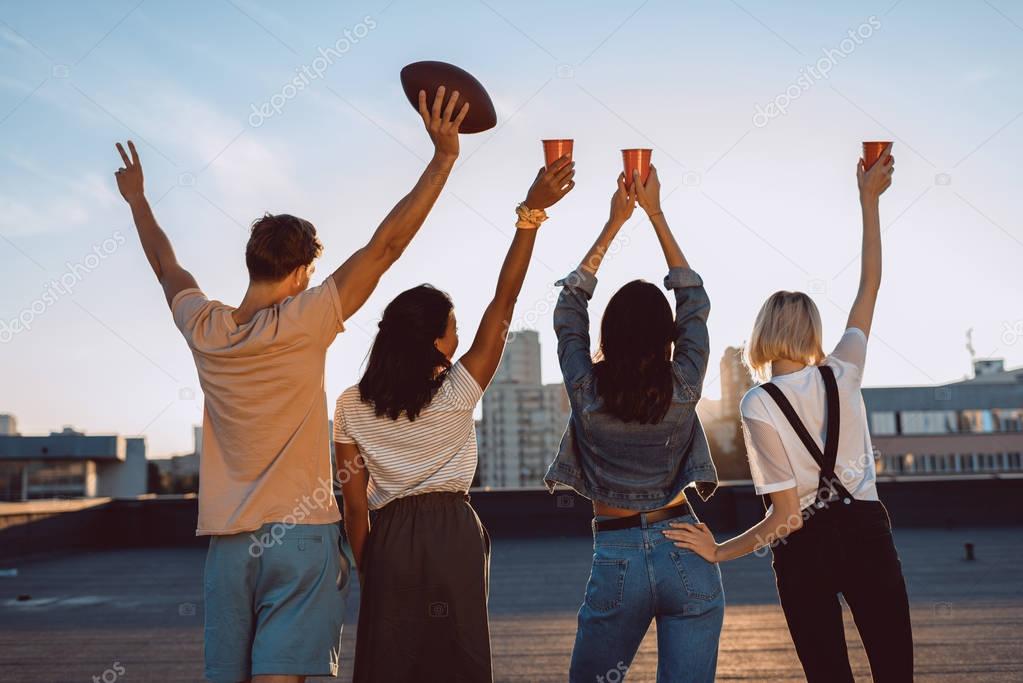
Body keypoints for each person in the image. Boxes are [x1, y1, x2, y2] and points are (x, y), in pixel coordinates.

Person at [113, 86, 470, 683]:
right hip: (302, 540)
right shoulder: (307, 320)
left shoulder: (204, 327)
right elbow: (386, 247)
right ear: (303, 271)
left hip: (229, 547)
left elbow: (165, 265)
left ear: (253, 262)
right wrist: (442, 159)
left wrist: (138, 201)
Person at [664, 144, 913, 682]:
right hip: (868, 532)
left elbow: (787, 517)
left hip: (808, 551)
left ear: (762, 333)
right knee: (895, 670)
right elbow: (870, 284)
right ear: (813, 333)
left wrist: (719, 552)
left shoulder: (758, 402)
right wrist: (869, 200)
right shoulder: (844, 369)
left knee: (828, 674)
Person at [334, 156, 575, 682]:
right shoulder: (458, 389)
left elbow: (354, 505)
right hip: (453, 533)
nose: (459, 335)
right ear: (435, 341)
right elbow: (505, 300)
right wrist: (530, 214)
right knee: (457, 659)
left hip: (390, 535)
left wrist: (368, 566)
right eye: (453, 327)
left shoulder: (351, 403)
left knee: (391, 663)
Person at [543, 166, 722, 683]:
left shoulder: (586, 390)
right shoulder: (684, 383)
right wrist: (655, 214)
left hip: (618, 551)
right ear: (665, 334)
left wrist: (613, 223)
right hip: (685, 548)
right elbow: (694, 302)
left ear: (610, 332)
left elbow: (568, 307)